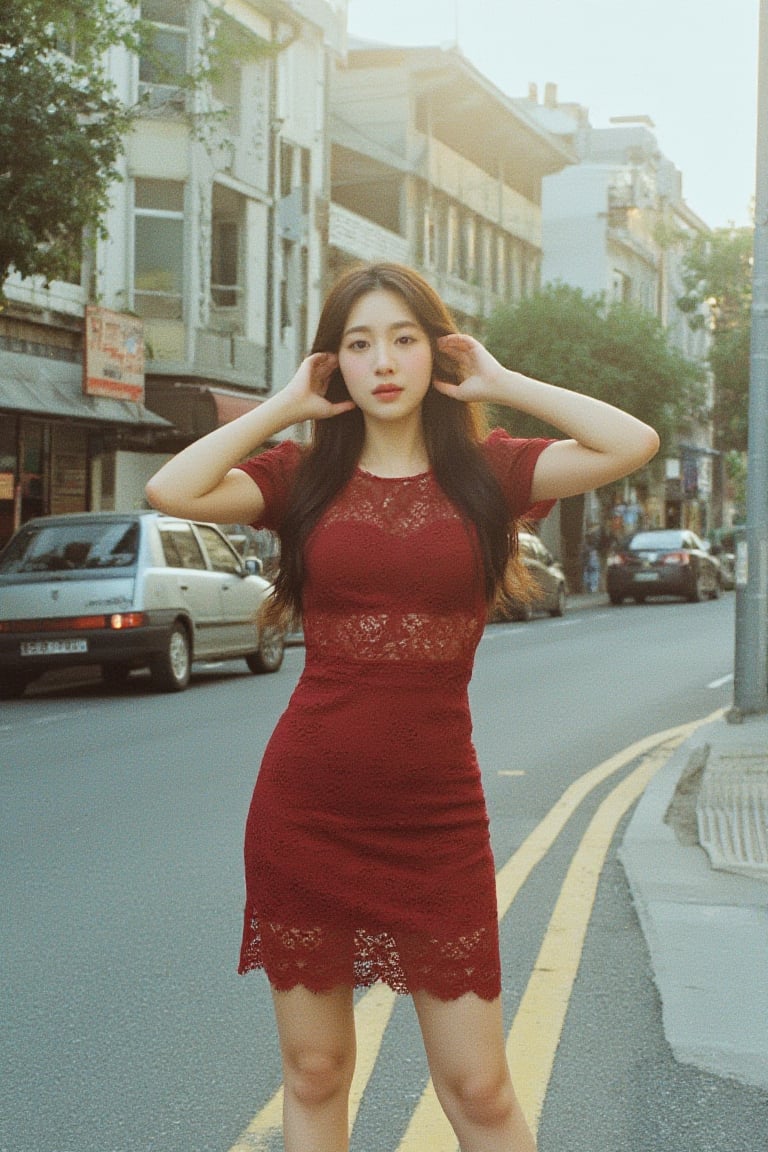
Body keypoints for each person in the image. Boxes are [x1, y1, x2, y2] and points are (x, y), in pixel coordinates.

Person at [145, 263, 659, 1152]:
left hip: (437, 819)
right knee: (314, 1076)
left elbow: (633, 440)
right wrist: (282, 405)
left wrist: (501, 385)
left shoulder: (492, 471)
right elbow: (171, 491)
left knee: (482, 1089)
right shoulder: (298, 476)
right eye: (358, 343)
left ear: (435, 350)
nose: (382, 361)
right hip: (308, 809)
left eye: (403, 338)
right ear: (332, 362)